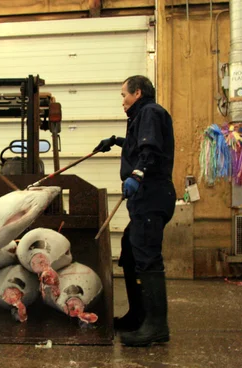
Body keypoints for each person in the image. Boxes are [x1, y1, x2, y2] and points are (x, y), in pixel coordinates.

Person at [94, 75, 175, 347]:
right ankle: (137, 316)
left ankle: (156, 326)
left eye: (124, 95)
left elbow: (150, 150)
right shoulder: (142, 116)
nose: (123, 101)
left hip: (152, 194)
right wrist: (117, 141)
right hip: (145, 197)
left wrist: (137, 175)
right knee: (130, 251)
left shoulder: (150, 112)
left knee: (148, 258)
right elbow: (140, 145)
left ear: (137, 93)